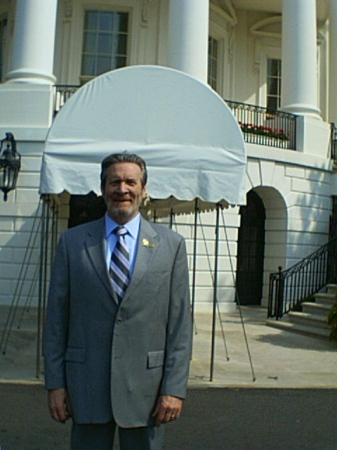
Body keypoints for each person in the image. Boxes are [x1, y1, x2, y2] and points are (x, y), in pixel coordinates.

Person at [43, 152, 192, 450]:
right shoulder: (72, 243)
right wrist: (55, 384)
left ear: (144, 189)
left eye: (130, 182)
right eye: (114, 182)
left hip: (148, 393)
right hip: (84, 386)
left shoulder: (171, 246)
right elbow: (56, 320)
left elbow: (179, 325)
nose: (122, 189)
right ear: (102, 188)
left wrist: (174, 389)